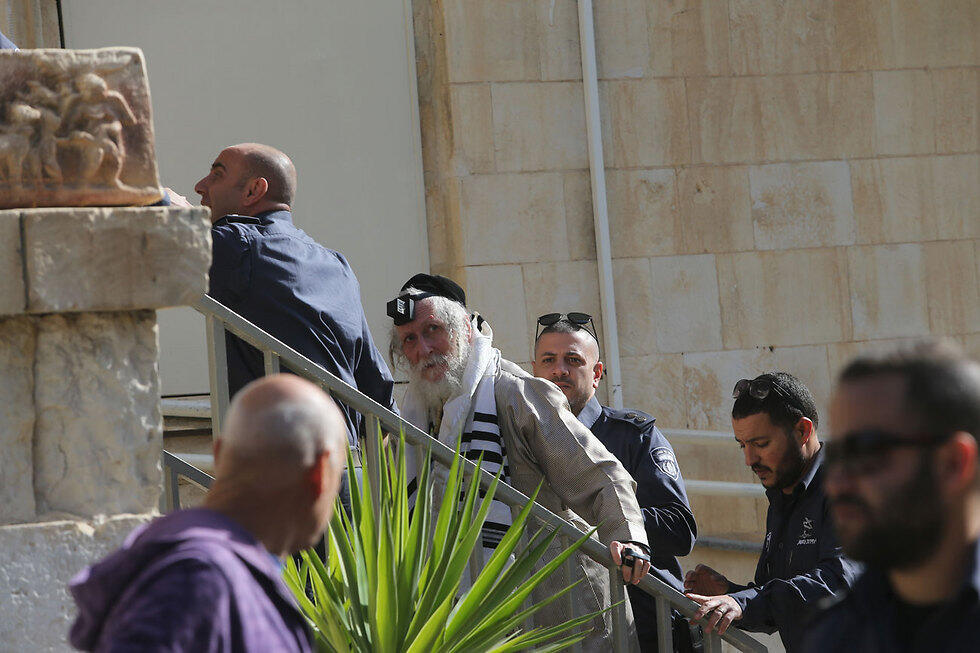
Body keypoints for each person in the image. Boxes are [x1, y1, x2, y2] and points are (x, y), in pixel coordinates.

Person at [388, 274, 652, 652]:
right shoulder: (412, 421)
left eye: (433, 330)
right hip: (480, 619)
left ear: (464, 329)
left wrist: (627, 538)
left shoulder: (514, 392)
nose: (423, 348)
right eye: (409, 339)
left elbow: (599, 472)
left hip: (568, 611)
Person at [68, 374, 347, 652]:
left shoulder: (202, 570)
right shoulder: (198, 580)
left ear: (219, 454)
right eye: (339, 475)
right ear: (320, 474)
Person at [190, 143, 397, 446]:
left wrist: (172, 205)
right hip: (345, 472)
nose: (200, 186)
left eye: (216, 175)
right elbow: (378, 391)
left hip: (282, 471)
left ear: (253, 191)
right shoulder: (336, 264)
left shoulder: (237, 247)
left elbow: (153, 244)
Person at [531, 312, 698, 652]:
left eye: (573, 360)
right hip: (559, 631)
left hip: (647, 626)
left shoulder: (635, 436)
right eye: (549, 360)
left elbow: (680, 529)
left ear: (596, 374)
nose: (559, 370)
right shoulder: (523, 441)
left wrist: (597, 514)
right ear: (534, 369)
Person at [804, 341, 980, 652]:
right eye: (838, 456)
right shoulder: (836, 635)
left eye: (866, 451)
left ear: (954, 463)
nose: (836, 484)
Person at [682, 372, 860, 652]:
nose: (749, 459)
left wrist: (743, 602)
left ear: (803, 430)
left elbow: (838, 582)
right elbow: (776, 608)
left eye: (760, 444)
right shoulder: (783, 496)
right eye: (743, 445)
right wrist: (728, 594)